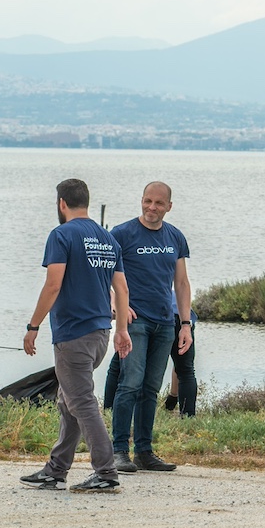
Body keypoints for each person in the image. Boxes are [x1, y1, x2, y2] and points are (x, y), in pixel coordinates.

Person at [20, 179, 132, 493]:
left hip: (73, 335)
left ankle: (106, 472)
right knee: (68, 400)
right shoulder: (107, 238)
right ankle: (55, 471)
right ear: (86, 200)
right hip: (100, 334)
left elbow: (53, 285)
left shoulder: (61, 235)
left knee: (81, 402)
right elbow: (121, 289)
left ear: (61, 203)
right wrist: (121, 329)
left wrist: (33, 326)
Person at [107, 182, 193, 474]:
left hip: (165, 323)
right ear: (141, 201)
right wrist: (117, 305)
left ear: (169, 206)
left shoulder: (175, 237)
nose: (151, 208)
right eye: (147, 201)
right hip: (135, 322)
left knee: (150, 388)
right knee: (129, 384)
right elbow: (104, 274)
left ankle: (144, 452)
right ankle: (118, 451)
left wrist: (185, 324)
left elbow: (181, 283)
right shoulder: (121, 234)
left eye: (158, 203)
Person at [162, 307, 198, 417]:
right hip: (182, 317)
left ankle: (109, 408)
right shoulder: (179, 294)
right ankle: (188, 417)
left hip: (155, 316)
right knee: (185, 369)